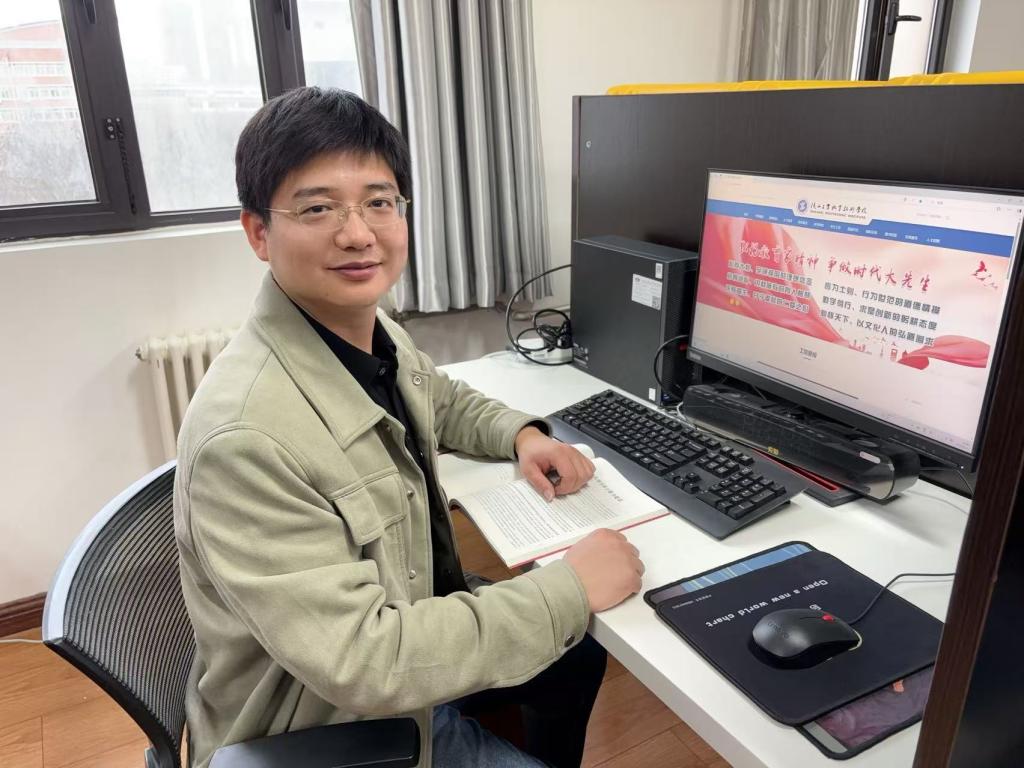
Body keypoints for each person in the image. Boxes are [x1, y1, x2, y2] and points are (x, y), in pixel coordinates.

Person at [173, 87, 645, 768]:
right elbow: (365, 662)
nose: (357, 233)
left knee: (575, 654)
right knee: (568, 615)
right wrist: (569, 586)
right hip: (333, 730)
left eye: (379, 202)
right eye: (318, 208)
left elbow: (438, 398)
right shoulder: (246, 438)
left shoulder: (367, 329)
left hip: (404, 629)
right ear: (258, 233)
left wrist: (523, 435)